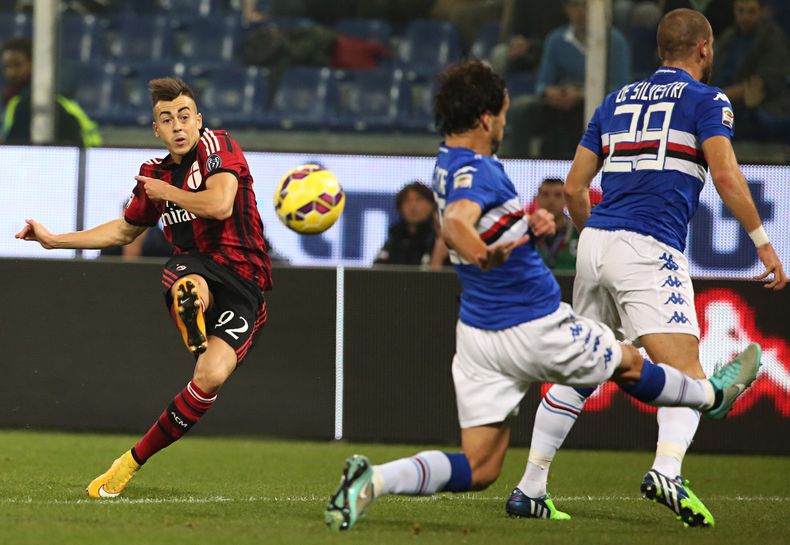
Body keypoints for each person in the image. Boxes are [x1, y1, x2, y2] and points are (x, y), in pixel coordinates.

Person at [323, 59, 763, 532]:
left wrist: (522, 231)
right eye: (505, 114)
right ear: (487, 118)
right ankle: (710, 395)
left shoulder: (446, 162)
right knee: (629, 362)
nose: (506, 123)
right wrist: (481, 252)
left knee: (479, 468)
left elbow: (470, 218)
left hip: (477, 338)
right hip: (532, 324)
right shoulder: (479, 169)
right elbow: (456, 226)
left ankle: (373, 480)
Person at [516, 7, 787, 528]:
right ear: (706, 48)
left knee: (583, 367)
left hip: (595, 240)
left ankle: (530, 487)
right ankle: (667, 470)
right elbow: (726, 173)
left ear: (660, 49)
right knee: (687, 370)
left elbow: (573, 189)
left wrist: (596, 236)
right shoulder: (709, 100)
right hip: (650, 244)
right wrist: (764, 245)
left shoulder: (615, 99)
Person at [15, 77, 273, 498]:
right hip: (194, 266)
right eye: (167, 119)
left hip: (245, 280)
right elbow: (122, 230)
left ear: (199, 121)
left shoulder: (218, 147)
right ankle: (192, 310)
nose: (178, 126)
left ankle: (130, 460)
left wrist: (168, 193)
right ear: (157, 130)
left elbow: (220, 204)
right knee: (189, 281)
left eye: (185, 117)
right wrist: (54, 239)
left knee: (210, 377)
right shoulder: (154, 175)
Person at [505, 0, 631, 158]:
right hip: (561, 100)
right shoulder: (556, 39)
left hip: (600, 101)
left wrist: (582, 95)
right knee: (521, 110)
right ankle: (520, 165)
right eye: (575, 5)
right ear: (567, 9)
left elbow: (621, 86)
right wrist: (549, 92)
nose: (580, 11)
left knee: (583, 111)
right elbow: (543, 83)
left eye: (585, 5)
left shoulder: (615, 41)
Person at [710, 0, 790, 142]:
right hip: (719, 97)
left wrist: (713, 97)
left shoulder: (773, 39)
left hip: (757, 102)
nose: (745, 17)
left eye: (751, 11)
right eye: (740, 11)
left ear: (762, 11)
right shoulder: (729, 36)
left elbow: (759, 85)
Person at [1, 37, 102, 147]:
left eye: (17, 65)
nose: (11, 72)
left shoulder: (31, 101)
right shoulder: (48, 95)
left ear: (35, 64)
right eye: (7, 66)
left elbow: (14, 149)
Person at [374, 181, 447, 267]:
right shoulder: (395, 237)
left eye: (419, 199)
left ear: (432, 205)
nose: (413, 206)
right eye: (407, 201)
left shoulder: (440, 239)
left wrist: (437, 257)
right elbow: (377, 273)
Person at [533, 178, 579, 271]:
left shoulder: (579, 233)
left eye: (558, 195)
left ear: (566, 200)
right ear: (537, 199)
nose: (551, 200)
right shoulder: (525, 235)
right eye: (545, 194)